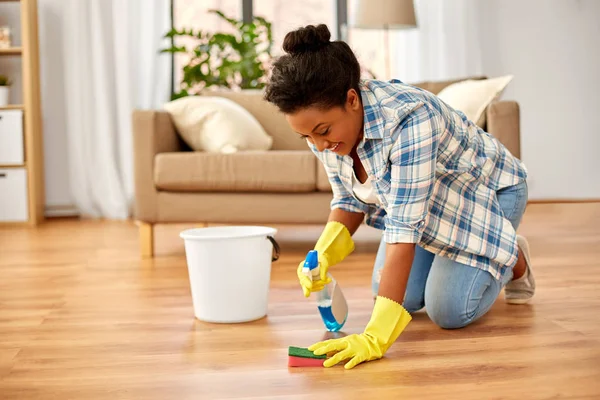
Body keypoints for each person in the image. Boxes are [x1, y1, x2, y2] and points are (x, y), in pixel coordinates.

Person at [263, 24, 535, 370]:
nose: (318, 146)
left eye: (323, 132)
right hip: (432, 208)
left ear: (351, 99)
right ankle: (467, 257)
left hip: (486, 195)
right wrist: (323, 254)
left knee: (448, 310)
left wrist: (376, 337)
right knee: (399, 298)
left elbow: (404, 229)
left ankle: (510, 253)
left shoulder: (409, 120)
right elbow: (349, 200)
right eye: (306, 136)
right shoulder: (329, 134)